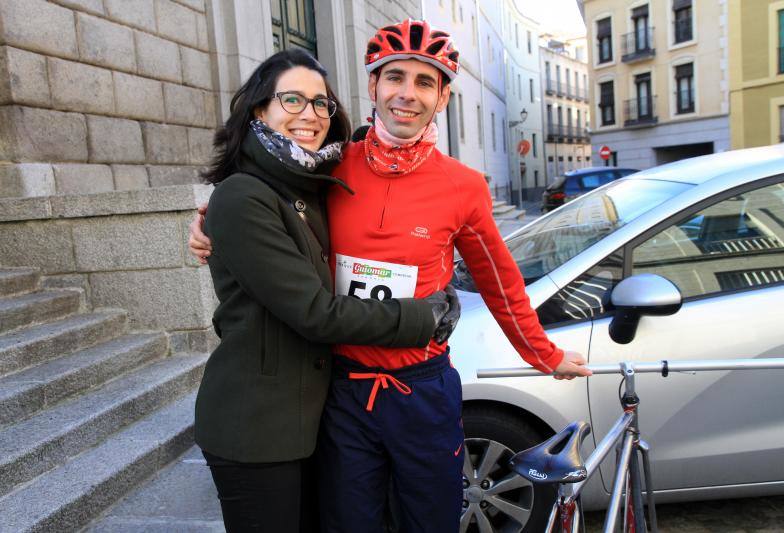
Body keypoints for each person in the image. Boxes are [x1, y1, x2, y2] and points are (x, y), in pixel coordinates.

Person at [190, 20, 591, 533]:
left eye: (426, 82)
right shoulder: (331, 170)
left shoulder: (463, 185)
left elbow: (500, 279)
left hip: (421, 390)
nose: (408, 94)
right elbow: (269, 200)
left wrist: (544, 355)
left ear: (443, 97)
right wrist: (206, 221)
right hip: (342, 392)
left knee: (430, 523)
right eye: (394, 77)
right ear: (373, 87)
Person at [192, 48, 457, 533]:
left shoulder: (308, 183)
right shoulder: (244, 195)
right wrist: (421, 318)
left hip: (313, 419)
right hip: (257, 429)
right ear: (259, 109)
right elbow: (315, 312)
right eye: (292, 100)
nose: (310, 115)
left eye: (320, 103)